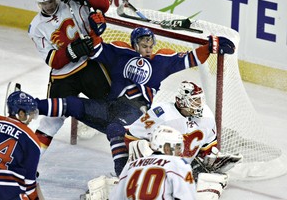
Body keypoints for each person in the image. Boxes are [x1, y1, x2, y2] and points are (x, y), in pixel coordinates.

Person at [33, 26, 236, 176]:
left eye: (150, 45)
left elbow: (189, 59)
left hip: (135, 113)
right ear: (134, 44)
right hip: (108, 106)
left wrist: (210, 46)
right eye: (143, 45)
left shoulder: (161, 62)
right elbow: (96, 48)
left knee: (115, 129)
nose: (148, 48)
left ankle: (122, 176)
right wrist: (95, 29)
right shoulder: (120, 53)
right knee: (71, 104)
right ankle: (30, 105)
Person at [28, 0, 111, 154]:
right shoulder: (36, 27)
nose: (49, 5)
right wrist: (73, 50)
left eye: (51, 0)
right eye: (44, 3)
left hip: (89, 66)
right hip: (63, 77)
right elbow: (53, 60)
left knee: (114, 108)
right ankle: (27, 161)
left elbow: (104, 5)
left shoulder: (72, 1)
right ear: (38, 4)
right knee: (51, 121)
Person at [110, 125, 197, 200]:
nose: (180, 152)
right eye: (177, 147)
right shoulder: (178, 163)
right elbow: (186, 196)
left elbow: (115, 197)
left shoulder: (131, 165)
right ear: (167, 148)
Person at [0, 91, 41, 200]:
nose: (31, 118)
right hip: (8, 191)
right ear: (21, 113)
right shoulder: (31, 139)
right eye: (30, 113)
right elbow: (30, 185)